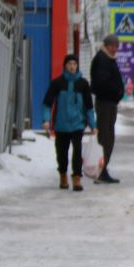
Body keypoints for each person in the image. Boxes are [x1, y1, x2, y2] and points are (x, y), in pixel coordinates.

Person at [42, 53, 98, 191]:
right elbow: (47, 103)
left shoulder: (83, 84)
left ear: (77, 66)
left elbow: (89, 107)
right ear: (65, 66)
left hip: (78, 124)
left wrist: (93, 124)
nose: (72, 67)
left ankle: (77, 178)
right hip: (61, 124)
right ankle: (63, 175)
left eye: (74, 64)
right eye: (69, 64)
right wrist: (46, 120)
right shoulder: (57, 83)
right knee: (62, 152)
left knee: (77, 152)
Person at [89, 34, 124, 183]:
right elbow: (100, 83)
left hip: (109, 103)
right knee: (105, 138)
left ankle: (103, 169)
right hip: (105, 103)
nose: (116, 49)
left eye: (117, 46)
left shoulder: (107, 59)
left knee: (108, 137)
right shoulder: (102, 60)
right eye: (114, 46)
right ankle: (100, 170)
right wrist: (115, 92)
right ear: (108, 45)